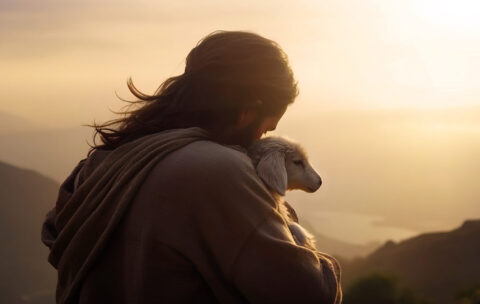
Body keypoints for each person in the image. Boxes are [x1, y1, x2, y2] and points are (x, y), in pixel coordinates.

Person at [41, 30, 342, 304]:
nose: (259, 140)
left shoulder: (102, 161)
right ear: (248, 110)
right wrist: (301, 240)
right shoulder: (218, 171)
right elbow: (307, 294)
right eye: (265, 130)